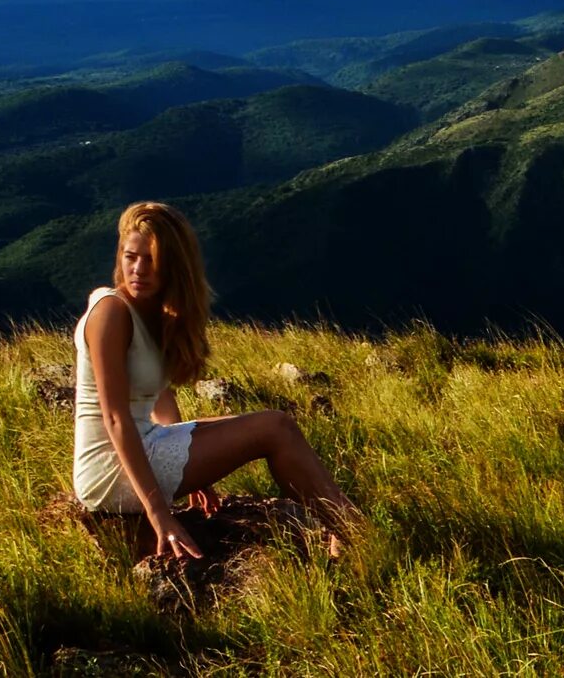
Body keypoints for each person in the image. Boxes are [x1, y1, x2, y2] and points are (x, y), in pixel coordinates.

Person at [70, 199, 359, 563]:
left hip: (145, 443)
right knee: (274, 429)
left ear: (174, 266)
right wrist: (160, 513)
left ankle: (346, 526)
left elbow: (160, 399)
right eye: (131, 256)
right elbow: (115, 418)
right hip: (108, 470)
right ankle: (353, 531)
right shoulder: (111, 313)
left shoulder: (152, 313)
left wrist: (194, 469)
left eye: (151, 260)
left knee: (279, 425)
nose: (138, 269)